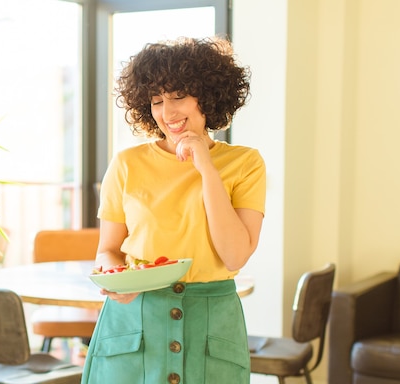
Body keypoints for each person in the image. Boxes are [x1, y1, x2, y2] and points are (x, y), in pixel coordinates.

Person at [81, 36, 266, 384]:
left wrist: (206, 168)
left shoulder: (245, 163)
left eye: (179, 96)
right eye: (156, 101)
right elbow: (107, 249)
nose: (167, 113)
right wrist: (114, 277)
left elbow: (235, 256)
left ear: (207, 96)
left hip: (211, 321)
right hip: (134, 321)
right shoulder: (126, 164)